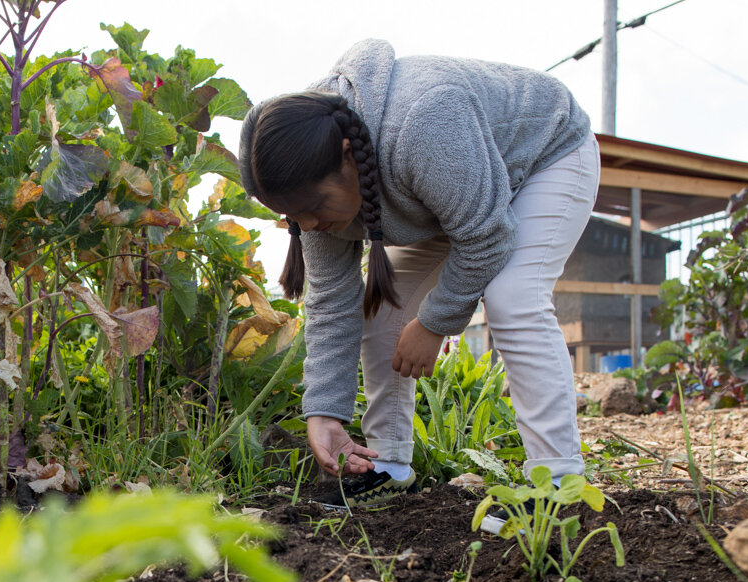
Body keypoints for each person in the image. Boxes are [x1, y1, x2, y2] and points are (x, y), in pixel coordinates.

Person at [238, 39, 599, 510]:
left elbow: (487, 236)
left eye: (313, 208)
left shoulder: (424, 120)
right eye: (292, 216)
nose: (307, 226)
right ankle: (386, 467)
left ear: (349, 155)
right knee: (382, 308)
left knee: (513, 297)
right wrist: (324, 412)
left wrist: (434, 325)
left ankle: (559, 484)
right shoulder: (309, 180)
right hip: (453, 197)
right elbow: (331, 302)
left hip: (543, 157)